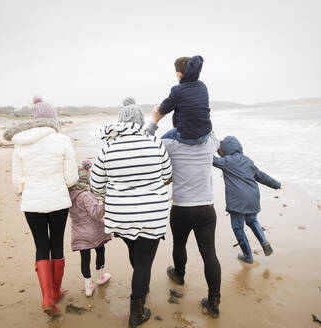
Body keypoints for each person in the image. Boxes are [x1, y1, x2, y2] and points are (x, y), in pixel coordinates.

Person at [90, 98, 172, 328]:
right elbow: (167, 175)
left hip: (121, 217)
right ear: (139, 120)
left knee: (136, 253)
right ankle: (136, 314)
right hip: (152, 215)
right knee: (144, 262)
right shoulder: (155, 143)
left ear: (120, 121)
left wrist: (115, 190)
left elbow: (95, 184)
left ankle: (141, 285)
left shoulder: (108, 147)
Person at [4, 95, 78, 316]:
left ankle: (47, 297)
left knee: (41, 247)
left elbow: (17, 181)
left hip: (32, 202)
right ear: (53, 118)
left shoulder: (20, 142)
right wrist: (59, 183)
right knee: (57, 245)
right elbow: (71, 178)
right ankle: (55, 291)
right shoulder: (62, 140)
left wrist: (27, 189)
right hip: (57, 200)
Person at [148, 107, 221, 318]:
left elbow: (146, 144)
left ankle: (179, 275)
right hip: (206, 208)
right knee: (209, 252)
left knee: (179, 244)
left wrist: (155, 122)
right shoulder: (209, 142)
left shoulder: (170, 142)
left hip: (181, 207)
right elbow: (212, 132)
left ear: (176, 125)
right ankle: (214, 301)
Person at [213, 136, 282, 264]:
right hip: (253, 198)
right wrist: (277, 184)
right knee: (252, 221)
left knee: (238, 228)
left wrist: (202, 145)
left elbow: (211, 160)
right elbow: (261, 176)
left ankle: (248, 256)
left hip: (238, 202)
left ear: (226, 149)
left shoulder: (227, 161)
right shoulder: (248, 161)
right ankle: (264, 242)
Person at [69, 160, 112, 297]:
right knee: (100, 251)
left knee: (85, 259)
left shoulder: (69, 196)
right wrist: (105, 203)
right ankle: (100, 277)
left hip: (79, 233)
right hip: (94, 232)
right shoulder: (86, 195)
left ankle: (88, 286)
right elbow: (95, 213)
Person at [157, 55, 212, 145]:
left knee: (160, 142)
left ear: (179, 74)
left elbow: (163, 109)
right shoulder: (202, 86)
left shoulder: (177, 90)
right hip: (205, 134)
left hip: (186, 137)